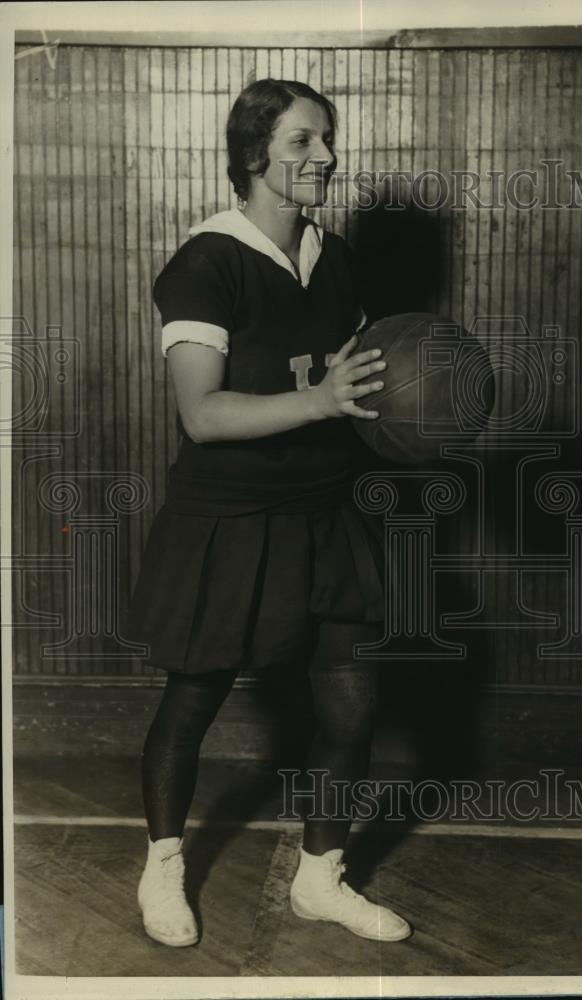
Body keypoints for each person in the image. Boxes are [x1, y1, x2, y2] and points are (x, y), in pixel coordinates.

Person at [124, 77, 411, 947]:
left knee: (353, 708)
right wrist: (323, 403)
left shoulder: (337, 256)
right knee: (193, 703)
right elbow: (202, 416)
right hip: (230, 517)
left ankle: (321, 877)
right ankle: (163, 868)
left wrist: (423, 410)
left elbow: (363, 385)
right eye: (301, 143)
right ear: (254, 156)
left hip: (323, 510)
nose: (324, 157)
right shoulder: (204, 262)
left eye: (325, 139)